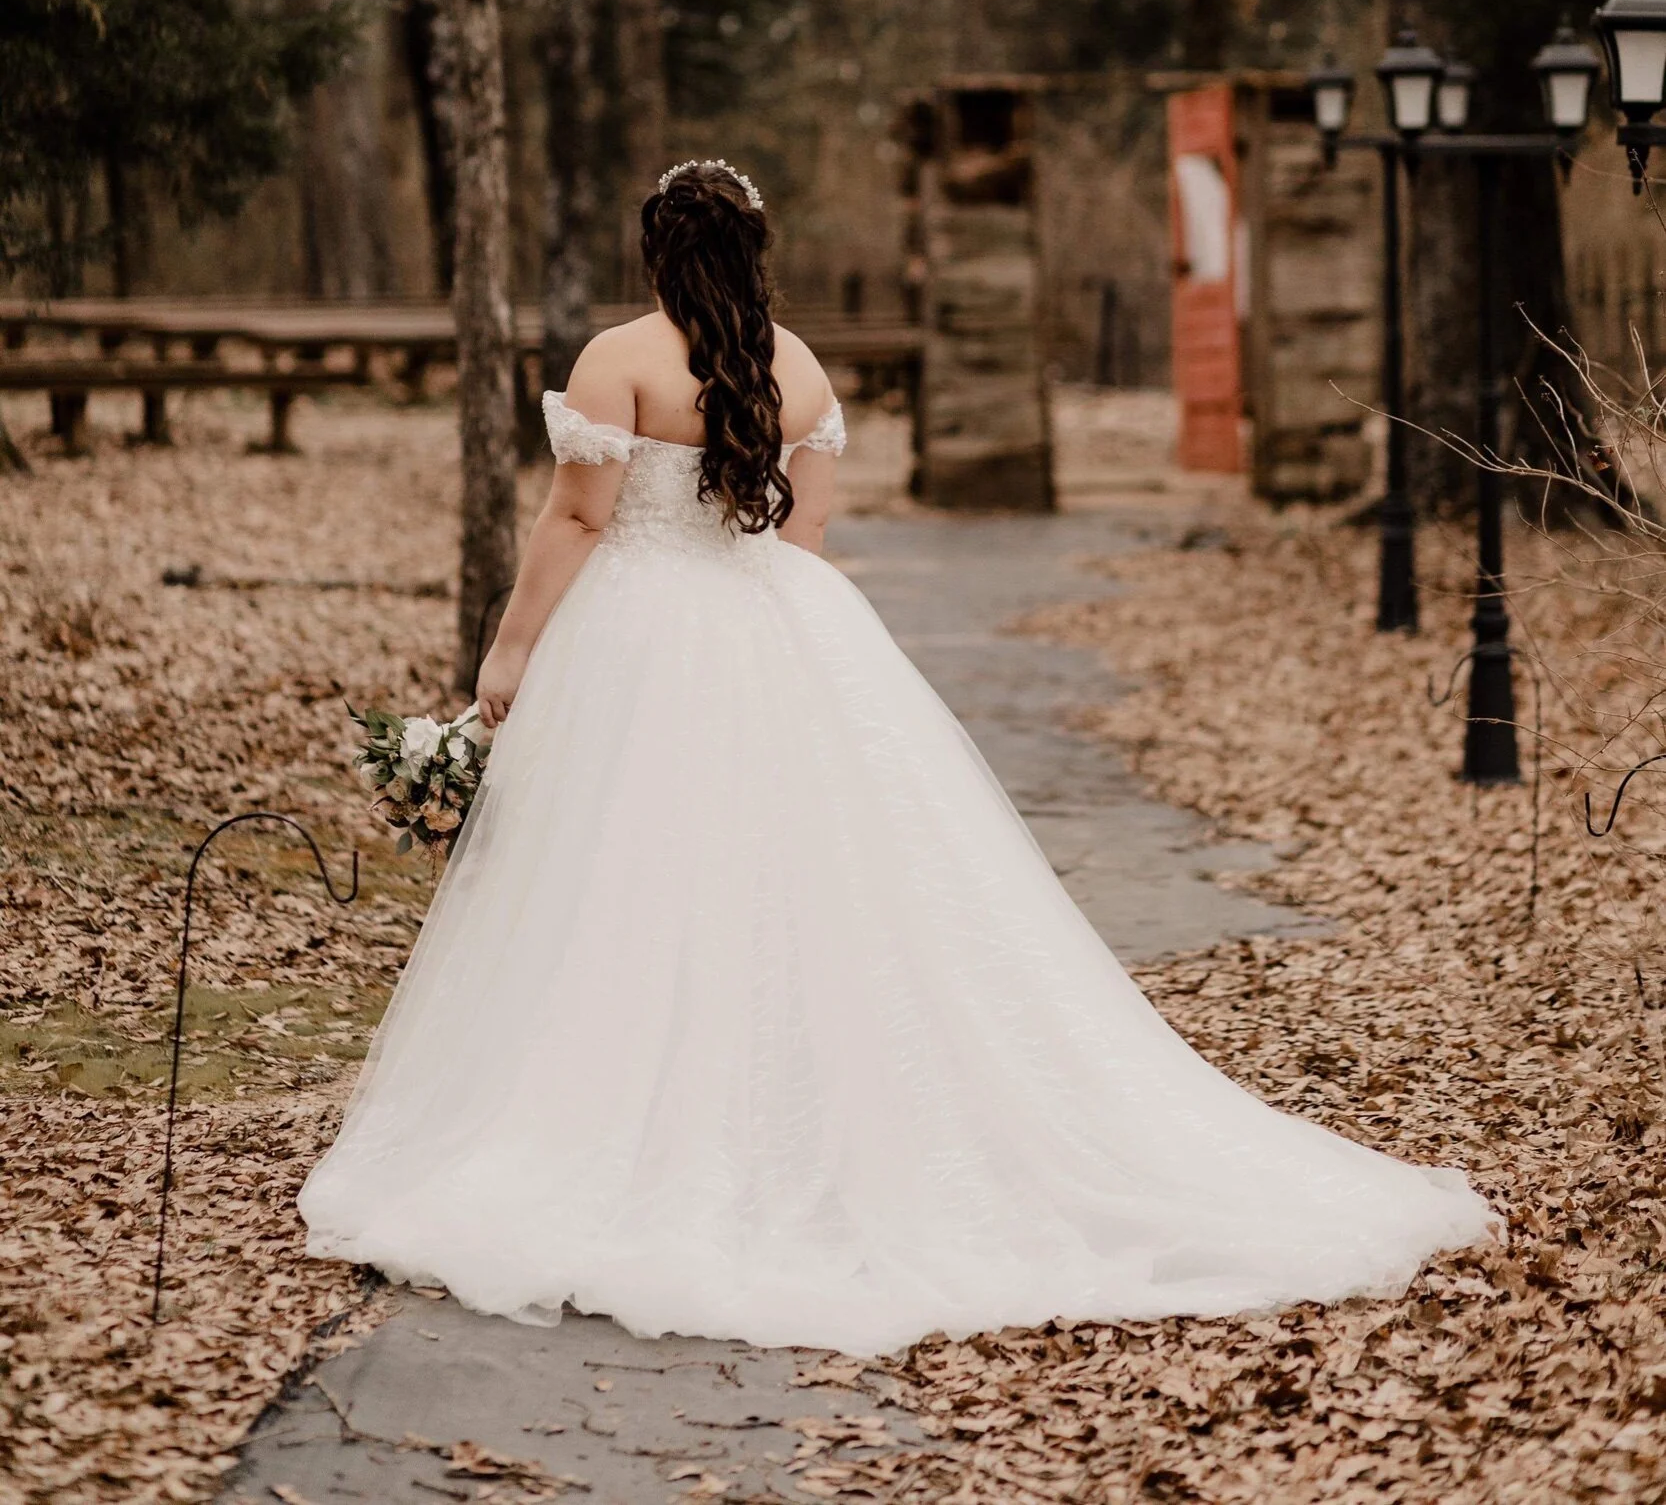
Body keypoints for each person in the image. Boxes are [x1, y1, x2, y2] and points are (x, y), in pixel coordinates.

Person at [301, 160, 1494, 1355]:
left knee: (627, 880)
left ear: (655, 250)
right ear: (756, 248)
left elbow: (575, 520)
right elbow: (800, 536)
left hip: (638, 637)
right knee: (803, 884)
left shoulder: (616, 358)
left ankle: (620, 1123)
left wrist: (508, 655)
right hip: (777, 626)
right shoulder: (799, 366)